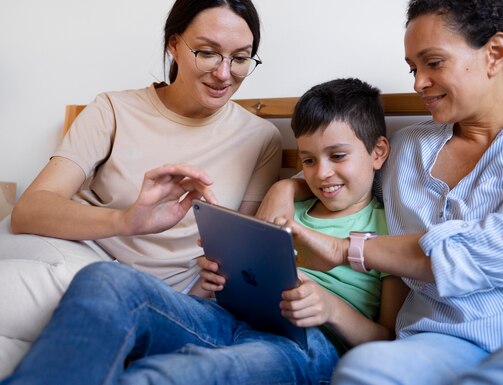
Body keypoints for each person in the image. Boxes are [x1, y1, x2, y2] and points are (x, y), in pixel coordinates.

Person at [259, 0, 503, 385]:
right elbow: (335, 177)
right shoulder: (407, 148)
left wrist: (345, 249)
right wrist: (283, 189)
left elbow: (499, 251)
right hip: (443, 339)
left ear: (496, 53)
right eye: (413, 68)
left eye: (433, 63)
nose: (417, 83)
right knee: (365, 371)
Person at [1, 78, 409, 385]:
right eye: (307, 159)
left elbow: (389, 339)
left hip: (302, 346)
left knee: (184, 372)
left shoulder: (389, 228)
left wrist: (330, 308)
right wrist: (213, 280)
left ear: (378, 152)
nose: (322, 173)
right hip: (221, 318)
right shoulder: (287, 205)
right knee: (104, 279)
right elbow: (235, 276)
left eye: (337, 156)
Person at [0, 0, 282, 377]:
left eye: (240, 58)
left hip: (161, 298)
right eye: (207, 53)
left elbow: (239, 251)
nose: (224, 73)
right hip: (74, 256)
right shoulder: (113, 109)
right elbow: (29, 211)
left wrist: (291, 186)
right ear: (173, 45)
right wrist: (127, 220)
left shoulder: (260, 139)